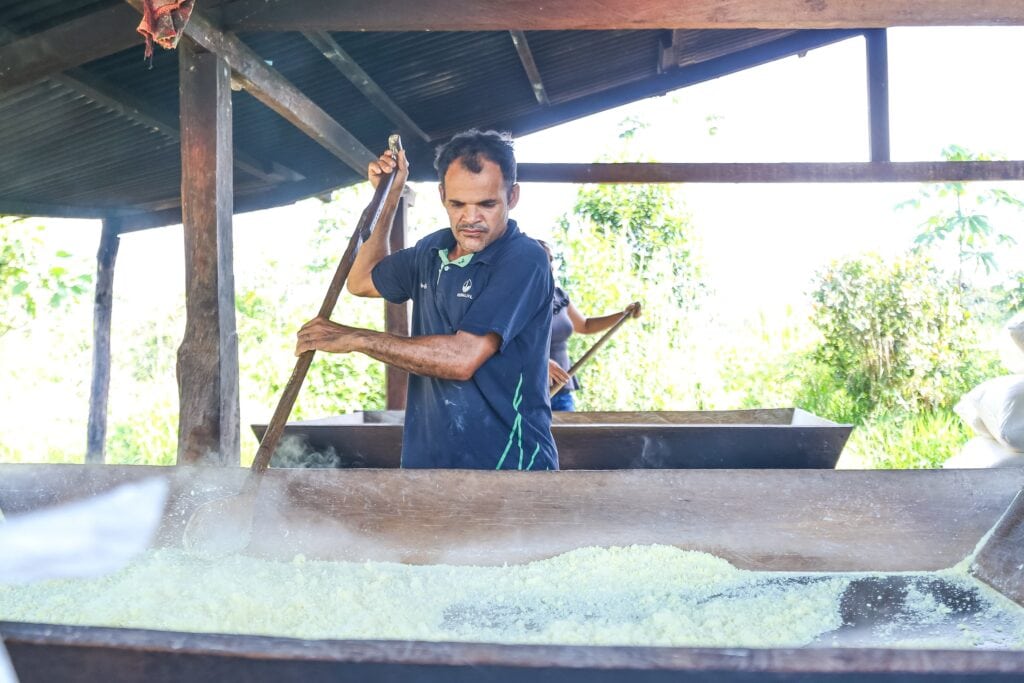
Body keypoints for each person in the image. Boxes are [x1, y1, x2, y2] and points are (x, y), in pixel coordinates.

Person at [295, 129, 558, 470]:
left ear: (513, 196)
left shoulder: (524, 259)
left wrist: (356, 338)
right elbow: (361, 280)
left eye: (487, 204)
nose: (471, 218)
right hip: (429, 465)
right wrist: (388, 195)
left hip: (508, 468)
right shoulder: (430, 252)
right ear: (442, 195)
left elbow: (461, 359)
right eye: (458, 204)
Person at [537, 240, 641, 412]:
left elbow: (585, 325)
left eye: (551, 260)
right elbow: (506, 343)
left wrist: (623, 315)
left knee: (570, 439)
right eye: (543, 261)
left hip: (561, 392)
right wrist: (540, 362)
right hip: (529, 394)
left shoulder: (559, 296)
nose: (550, 267)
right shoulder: (517, 301)